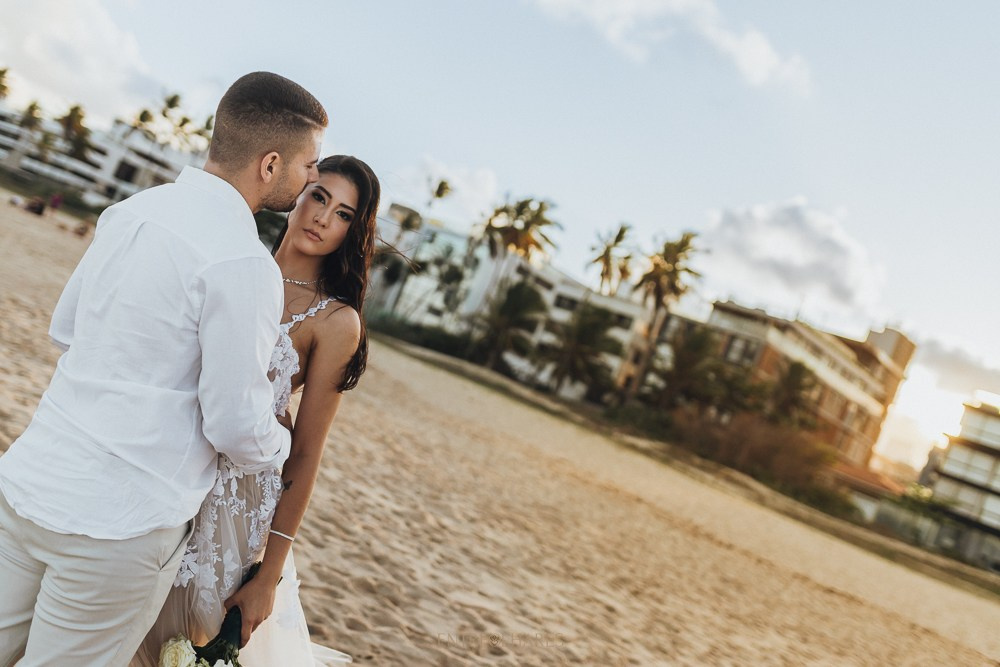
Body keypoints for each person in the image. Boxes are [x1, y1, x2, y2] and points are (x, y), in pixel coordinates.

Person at [0, 71, 328, 666]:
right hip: (120, 523)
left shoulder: (129, 212)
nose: (311, 180)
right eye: (309, 166)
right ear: (270, 163)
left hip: (29, 482)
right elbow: (232, 424)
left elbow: (64, 329)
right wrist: (278, 449)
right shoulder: (242, 261)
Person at [134, 155, 379, 666]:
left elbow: (307, 453)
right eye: (319, 197)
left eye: (343, 214)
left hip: (236, 504)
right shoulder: (234, 264)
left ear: (352, 232)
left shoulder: (336, 321)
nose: (322, 218)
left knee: (181, 644)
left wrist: (269, 575)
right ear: (297, 195)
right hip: (168, 468)